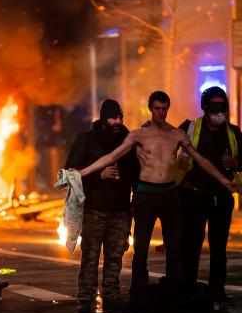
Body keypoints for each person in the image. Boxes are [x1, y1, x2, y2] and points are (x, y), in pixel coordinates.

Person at [79, 91, 237, 299]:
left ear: (167, 109)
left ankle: (175, 291)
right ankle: (139, 290)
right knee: (141, 246)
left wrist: (224, 180)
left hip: (170, 192)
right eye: (157, 108)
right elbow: (112, 156)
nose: (160, 113)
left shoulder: (177, 134)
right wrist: (82, 172)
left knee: (174, 247)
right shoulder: (138, 135)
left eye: (164, 109)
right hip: (147, 192)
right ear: (150, 109)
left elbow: (200, 159)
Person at [65, 99, 139, 313]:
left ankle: (111, 295)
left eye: (120, 117)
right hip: (94, 209)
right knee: (90, 256)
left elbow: (136, 172)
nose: (117, 122)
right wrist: (100, 175)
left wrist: (133, 202)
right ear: (104, 118)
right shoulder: (87, 140)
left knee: (116, 256)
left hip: (120, 209)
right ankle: (86, 297)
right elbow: (71, 173)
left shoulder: (127, 141)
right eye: (113, 117)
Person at [178, 86, 242, 305]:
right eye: (214, 106)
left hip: (222, 198)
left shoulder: (233, 133)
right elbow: (167, 145)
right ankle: (188, 290)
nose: (218, 110)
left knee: (219, 248)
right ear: (205, 107)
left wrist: (236, 162)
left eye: (221, 105)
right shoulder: (190, 128)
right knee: (192, 245)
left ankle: (217, 291)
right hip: (195, 196)